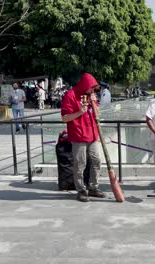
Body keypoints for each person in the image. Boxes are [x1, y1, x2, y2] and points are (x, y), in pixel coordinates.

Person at [61, 73, 106, 202]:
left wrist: (93, 101)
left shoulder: (92, 96)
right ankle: (81, 190)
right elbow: (64, 117)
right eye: (92, 88)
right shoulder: (70, 95)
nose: (93, 91)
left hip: (92, 135)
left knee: (97, 161)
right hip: (78, 135)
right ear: (86, 85)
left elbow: (97, 115)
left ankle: (93, 187)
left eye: (95, 89)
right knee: (80, 164)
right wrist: (80, 112)